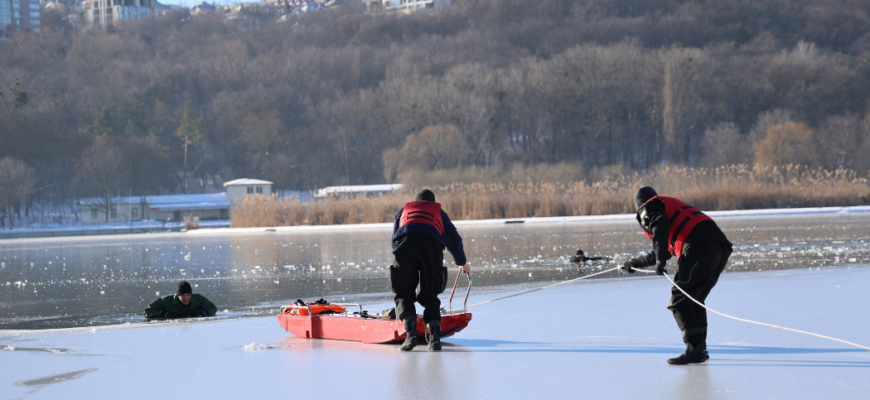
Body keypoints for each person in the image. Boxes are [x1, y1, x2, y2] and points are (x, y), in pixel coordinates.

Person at [621, 186, 732, 365]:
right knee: (694, 299)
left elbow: (659, 227)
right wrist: (636, 263)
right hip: (719, 247)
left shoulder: (649, 207)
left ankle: (694, 350)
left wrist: (660, 262)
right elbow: (664, 248)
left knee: (680, 301)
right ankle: (699, 349)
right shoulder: (667, 208)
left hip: (698, 247)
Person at [390, 189, 470, 352]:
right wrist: (461, 262)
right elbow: (454, 240)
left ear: (416, 201)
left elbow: (394, 240)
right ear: (432, 203)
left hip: (404, 247)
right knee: (430, 294)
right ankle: (434, 340)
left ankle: (410, 334)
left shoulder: (403, 211)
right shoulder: (439, 213)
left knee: (404, 292)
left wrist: (401, 259)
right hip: (431, 249)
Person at [144, 281, 217, 319]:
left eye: (188, 295)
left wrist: (206, 312)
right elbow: (147, 312)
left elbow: (213, 308)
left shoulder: (198, 299)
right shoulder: (165, 301)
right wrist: (163, 314)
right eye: (183, 296)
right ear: (178, 295)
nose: (186, 298)